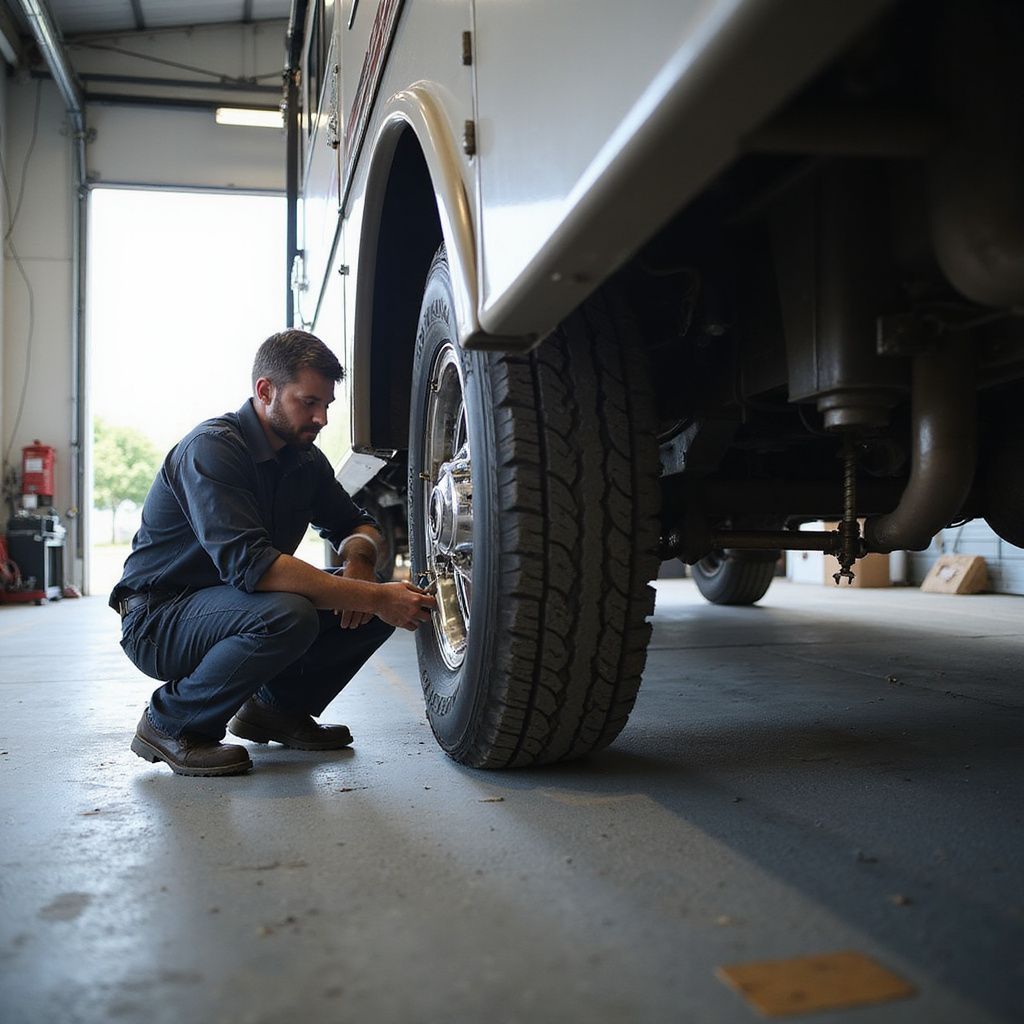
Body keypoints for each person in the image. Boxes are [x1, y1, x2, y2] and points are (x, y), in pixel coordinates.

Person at [110, 329, 435, 777]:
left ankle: (275, 710)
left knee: (370, 590)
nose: (321, 417)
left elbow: (358, 524)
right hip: (159, 618)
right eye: (309, 402)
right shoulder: (213, 450)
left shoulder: (303, 459)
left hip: (231, 605)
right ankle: (170, 722)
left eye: (327, 406)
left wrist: (361, 571)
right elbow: (253, 566)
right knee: (292, 611)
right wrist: (373, 599)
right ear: (265, 391)